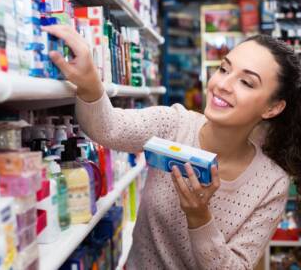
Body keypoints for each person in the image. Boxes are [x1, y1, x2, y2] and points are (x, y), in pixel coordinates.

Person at [42, 25, 301, 269]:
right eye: (224, 69)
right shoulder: (174, 125)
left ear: (272, 107)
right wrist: (89, 85)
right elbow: (107, 128)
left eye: (246, 82)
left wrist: (199, 217)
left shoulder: (271, 183)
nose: (221, 85)